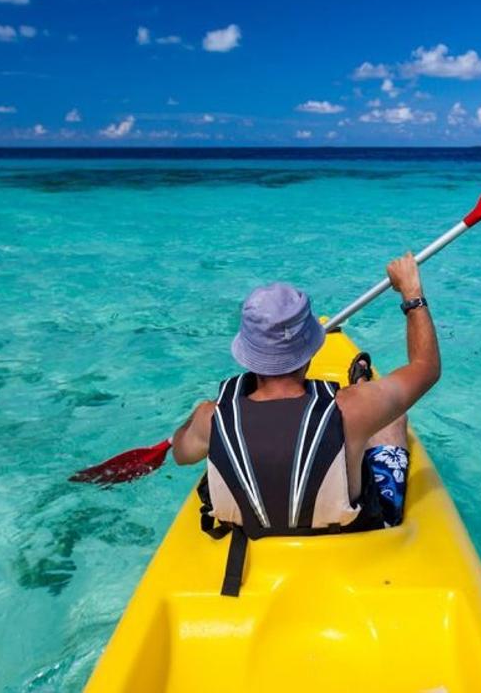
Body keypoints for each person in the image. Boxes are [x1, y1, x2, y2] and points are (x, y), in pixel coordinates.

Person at [169, 253, 439, 596]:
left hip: (250, 553)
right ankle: (361, 384)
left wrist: (194, 417)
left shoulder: (211, 418)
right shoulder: (352, 410)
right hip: (352, 539)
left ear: (248, 355)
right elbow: (427, 368)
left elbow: (180, 452)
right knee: (392, 418)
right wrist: (411, 291)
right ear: (311, 351)